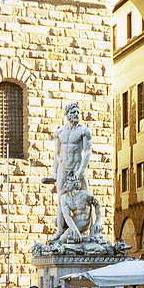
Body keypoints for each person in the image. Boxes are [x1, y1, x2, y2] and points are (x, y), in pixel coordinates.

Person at [48, 102, 93, 243]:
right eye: (73, 112)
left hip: (77, 167)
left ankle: (91, 230)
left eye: (77, 112)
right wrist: (54, 173)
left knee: (86, 197)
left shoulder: (84, 131)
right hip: (63, 168)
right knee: (61, 199)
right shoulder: (60, 132)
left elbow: (87, 152)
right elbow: (57, 153)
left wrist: (80, 172)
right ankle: (60, 230)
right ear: (66, 115)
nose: (76, 115)